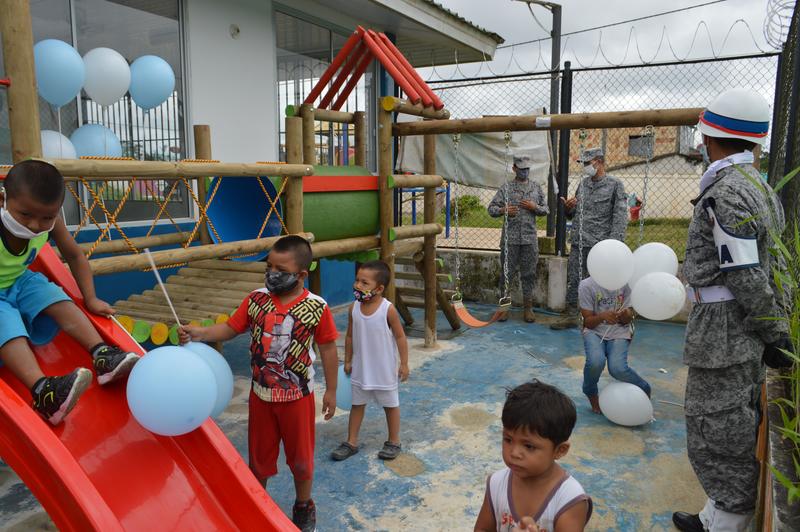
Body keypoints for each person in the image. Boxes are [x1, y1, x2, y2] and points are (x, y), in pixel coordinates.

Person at [671, 88, 791, 532]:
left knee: (716, 427)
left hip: (724, 334)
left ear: (710, 139)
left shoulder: (728, 193)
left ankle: (729, 518)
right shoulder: (757, 186)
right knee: (729, 421)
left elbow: (744, 274)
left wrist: (774, 331)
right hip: (737, 331)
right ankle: (718, 511)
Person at [179, 235, 338, 532]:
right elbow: (230, 327)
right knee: (259, 462)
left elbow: (328, 347)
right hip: (261, 397)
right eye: (269, 265)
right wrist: (199, 333)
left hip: (297, 399)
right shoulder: (256, 299)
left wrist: (331, 390)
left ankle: (303, 505)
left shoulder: (317, 307)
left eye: (280, 268)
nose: (271, 273)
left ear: (301, 275)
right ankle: (257, 506)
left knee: (301, 462)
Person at [0, 160, 139, 425]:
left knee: (55, 296)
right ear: (3, 200)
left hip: (19, 280)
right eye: (25, 215)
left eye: (46, 217)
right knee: (7, 323)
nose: (35, 225)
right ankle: (43, 392)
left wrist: (91, 298)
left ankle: (101, 355)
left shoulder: (52, 223)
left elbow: (74, 255)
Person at [474, 380, 592, 532]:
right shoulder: (496, 484)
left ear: (560, 450)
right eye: (508, 439)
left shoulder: (569, 499)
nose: (514, 453)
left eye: (529, 446)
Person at [330, 260, 409, 462]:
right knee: (357, 405)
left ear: (379, 288)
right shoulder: (353, 309)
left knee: (390, 406)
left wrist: (404, 363)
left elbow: (400, 337)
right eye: (357, 280)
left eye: (364, 283)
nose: (358, 285)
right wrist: (347, 360)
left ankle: (394, 441)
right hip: (361, 369)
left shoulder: (387, 309)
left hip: (383, 370)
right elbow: (349, 336)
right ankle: (351, 442)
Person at [551, 148, 628, 330]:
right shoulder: (583, 185)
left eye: (588, 162)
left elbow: (620, 217)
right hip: (579, 241)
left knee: (600, 282)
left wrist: (613, 246)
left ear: (599, 161)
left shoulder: (615, 185)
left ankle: (601, 317)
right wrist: (569, 208)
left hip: (600, 245)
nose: (585, 167)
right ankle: (570, 314)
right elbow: (574, 214)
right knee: (574, 279)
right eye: (583, 163)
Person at [487, 154, 549, 323]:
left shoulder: (536, 188)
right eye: (521, 169)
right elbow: (491, 209)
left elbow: (546, 209)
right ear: (514, 169)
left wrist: (534, 207)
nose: (525, 172)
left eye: (527, 169)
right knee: (506, 274)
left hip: (529, 239)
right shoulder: (506, 188)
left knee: (529, 274)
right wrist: (503, 210)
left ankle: (528, 308)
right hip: (510, 240)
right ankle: (504, 307)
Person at [578, 277, 650, 413]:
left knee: (617, 368)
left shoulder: (627, 283)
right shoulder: (587, 285)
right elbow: (587, 322)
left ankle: (644, 387)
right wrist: (602, 317)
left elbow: (628, 318)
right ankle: (590, 392)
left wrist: (626, 315)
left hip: (619, 331)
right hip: (594, 331)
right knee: (596, 362)